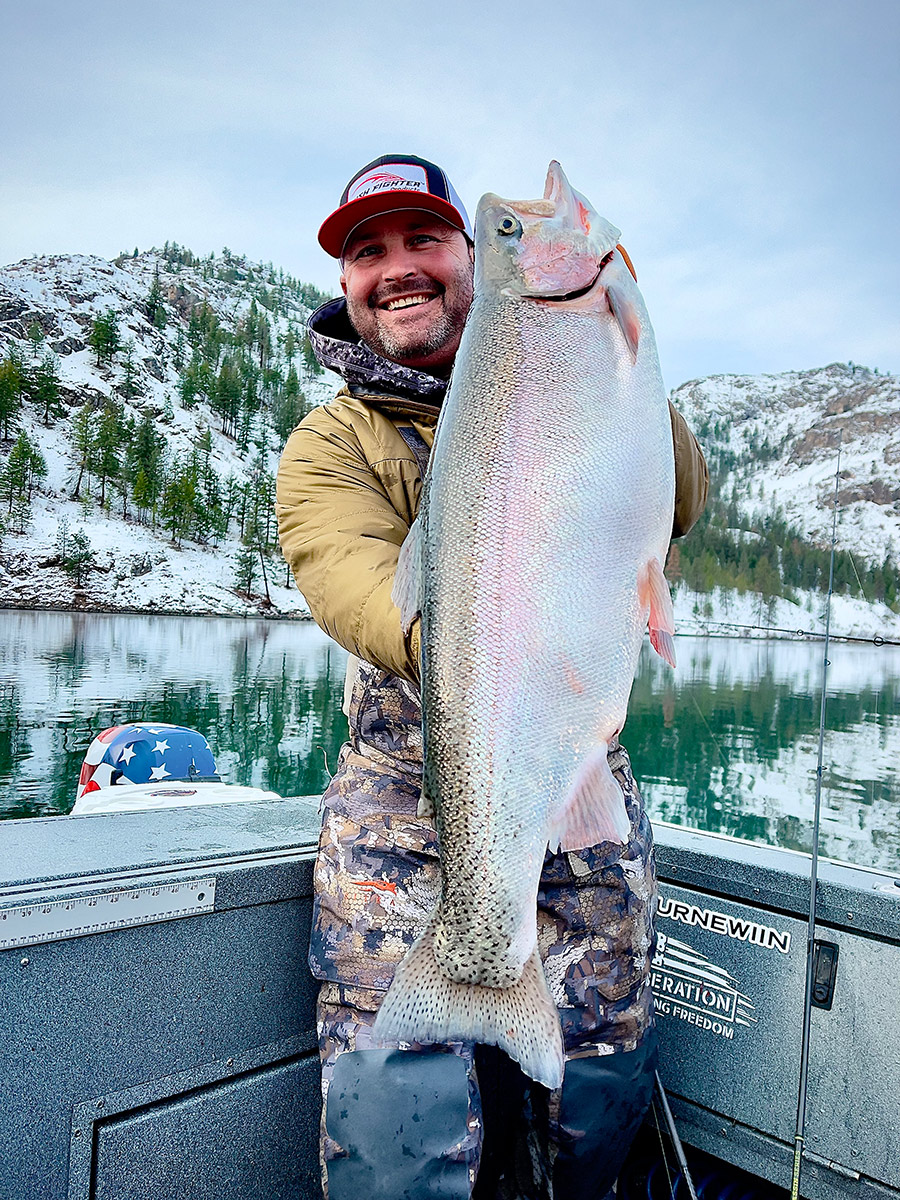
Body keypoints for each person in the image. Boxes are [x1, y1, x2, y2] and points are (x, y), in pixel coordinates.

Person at [276, 154, 709, 1200]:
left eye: (425, 240)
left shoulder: (571, 348)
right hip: (399, 800)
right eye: (367, 253)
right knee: (394, 1107)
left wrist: (618, 330)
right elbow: (352, 584)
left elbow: (679, 495)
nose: (398, 270)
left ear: (470, 261)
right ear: (346, 286)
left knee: (598, 1088)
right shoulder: (332, 439)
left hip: (573, 771)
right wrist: (479, 644)